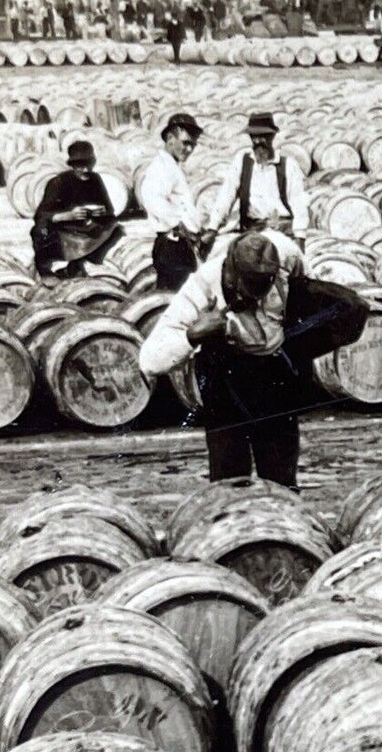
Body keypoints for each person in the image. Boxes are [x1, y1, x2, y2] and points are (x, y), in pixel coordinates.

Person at [138, 231, 368, 488]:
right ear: (231, 275)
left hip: (274, 376)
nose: (256, 298)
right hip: (225, 380)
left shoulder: (285, 253)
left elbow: (305, 283)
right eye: (250, 291)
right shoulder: (201, 287)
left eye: (263, 288)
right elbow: (149, 361)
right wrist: (192, 336)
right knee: (230, 481)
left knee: (281, 477)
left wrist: (297, 347)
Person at [206, 114, 309, 243]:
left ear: (272, 136)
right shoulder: (242, 162)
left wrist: (300, 236)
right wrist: (212, 227)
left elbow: (298, 203)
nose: (257, 141)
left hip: (282, 232)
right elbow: (226, 195)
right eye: (254, 136)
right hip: (252, 231)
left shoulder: (288, 165)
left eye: (263, 136)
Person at [30, 139, 122, 280]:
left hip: (86, 229)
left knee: (116, 228)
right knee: (40, 230)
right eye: (80, 166)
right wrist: (67, 216)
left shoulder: (95, 179)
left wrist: (101, 212)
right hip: (63, 231)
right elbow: (41, 215)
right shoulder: (59, 182)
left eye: (89, 165)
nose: (86, 170)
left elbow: (110, 210)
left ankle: (78, 263)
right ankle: (45, 270)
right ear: (72, 165)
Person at [140, 112, 206, 292]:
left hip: (178, 245)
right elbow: (152, 197)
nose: (190, 149)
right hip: (172, 246)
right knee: (174, 298)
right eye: (186, 143)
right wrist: (179, 225)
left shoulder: (171, 166)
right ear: (170, 138)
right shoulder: (162, 167)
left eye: (193, 144)